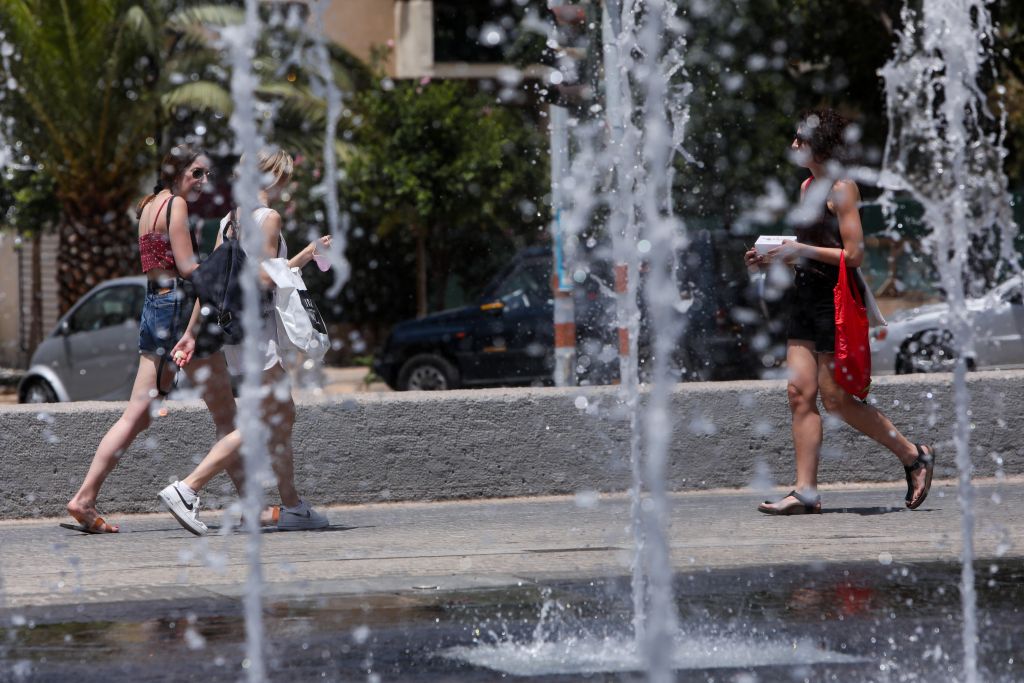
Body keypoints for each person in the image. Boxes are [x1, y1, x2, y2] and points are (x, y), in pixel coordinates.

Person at [745, 108, 935, 515]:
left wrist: (801, 250)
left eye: (801, 138)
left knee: (836, 399)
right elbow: (809, 253)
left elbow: (854, 254)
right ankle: (805, 492)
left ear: (821, 145)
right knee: (799, 394)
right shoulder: (808, 186)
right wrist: (776, 258)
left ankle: (913, 455)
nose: (794, 144)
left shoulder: (842, 189)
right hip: (806, 294)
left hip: (835, 300)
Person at [66, 145, 247, 533]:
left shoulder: (149, 206)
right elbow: (187, 269)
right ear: (175, 171)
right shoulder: (176, 206)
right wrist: (226, 256)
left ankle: (84, 498)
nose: (202, 181)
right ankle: (250, 506)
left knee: (137, 414)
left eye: (206, 174)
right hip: (181, 315)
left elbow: (163, 267)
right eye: (196, 173)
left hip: (155, 307)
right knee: (226, 416)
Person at [158, 149, 332, 535]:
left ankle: (292, 506)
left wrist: (191, 332)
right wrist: (305, 255)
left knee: (283, 415)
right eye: (283, 177)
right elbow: (264, 279)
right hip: (258, 333)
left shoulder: (229, 221)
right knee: (261, 419)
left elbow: (214, 281)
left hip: (234, 334)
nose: (285, 185)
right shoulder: (267, 218)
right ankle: (187, 488)